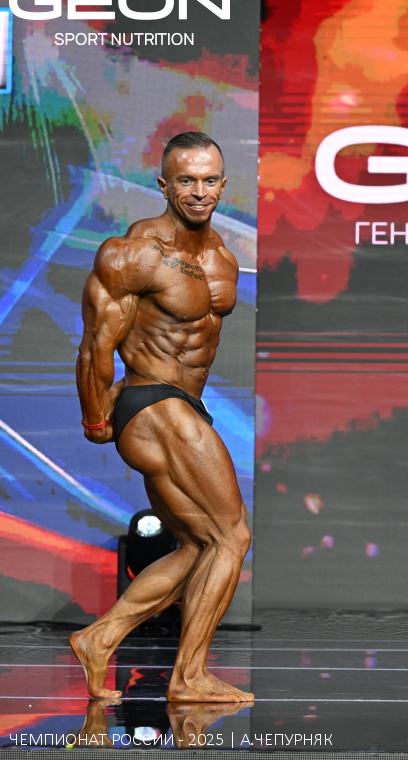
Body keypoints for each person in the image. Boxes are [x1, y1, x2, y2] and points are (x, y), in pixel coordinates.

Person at [70, 132, 252, 703]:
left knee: (198, 545)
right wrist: (94, 419)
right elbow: (95, 344)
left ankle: (100, 638)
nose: (199, 191)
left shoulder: (224, 257)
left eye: (209, 180)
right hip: (151, 401)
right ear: (164, 185)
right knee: (233, 536)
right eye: (186, 180)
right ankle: (189, 677)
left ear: (223, 184)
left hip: (185, 405)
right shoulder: (136, 252)